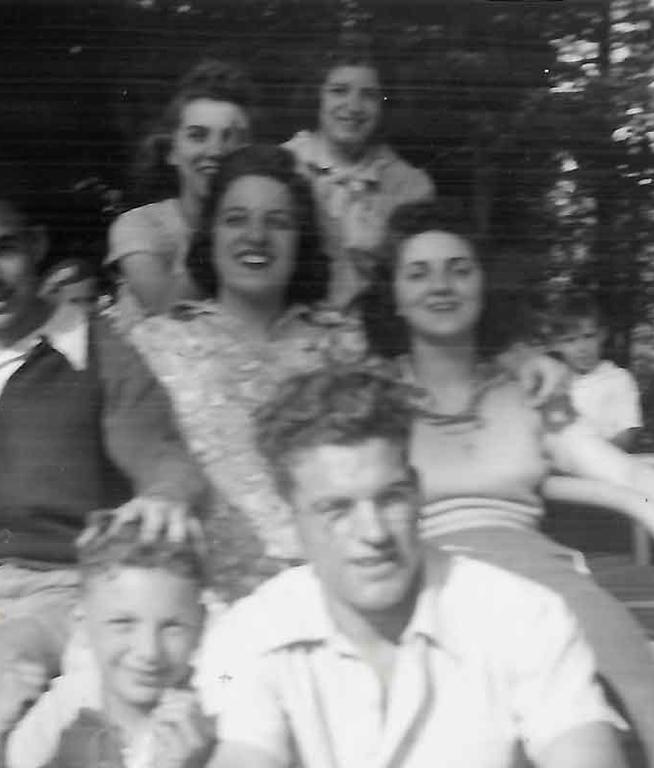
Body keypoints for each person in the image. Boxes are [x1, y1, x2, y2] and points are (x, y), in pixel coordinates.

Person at [359, 200, 654, 768]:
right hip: (428, 588)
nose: (441, 285)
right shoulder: (372, 397)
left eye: (459, 269)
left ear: (482, 284)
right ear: (395, 296)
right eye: (418, 273)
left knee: (641, 697)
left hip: (545, 586)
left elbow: (622, 471)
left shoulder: (527, 390)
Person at [197, 368, 637, 768]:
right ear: (291, 516)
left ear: (417, 491)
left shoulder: (523, 616)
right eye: (337, 509)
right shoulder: (252, 632)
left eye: (391, 498)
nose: (373, 532)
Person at [0, 175, 205, 677]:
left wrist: (165, 493)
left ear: (36, 246)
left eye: (4, 249)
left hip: (48, 588)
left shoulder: (94, 348)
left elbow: (157, 449)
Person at [128, 143, 353, 598]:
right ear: (210, 236)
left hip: (331, 585)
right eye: (236, 219)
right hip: (199, 592)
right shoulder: (156, 344)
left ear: (302, 240)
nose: (256, 236)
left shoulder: (343, 346)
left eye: (278, 222)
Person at [0, 513, 213, 768]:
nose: (149, 651)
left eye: (172, 626)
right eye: (123, 623)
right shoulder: (63, 713)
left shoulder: (214, 722)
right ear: (83, 623)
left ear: (201, 625)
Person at [284, 39, 434, 310]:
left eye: (369, 95)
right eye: (339, 91)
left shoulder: (410, 186)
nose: (353, 106)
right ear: (317, 95)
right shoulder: (283, 166)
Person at [106, 59, 256, 327]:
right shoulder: (139, 225)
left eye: (229, 137)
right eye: (198, 136)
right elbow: (166, 314)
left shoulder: (263, 228)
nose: (215, 151)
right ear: (172, 151)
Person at [548, 293, 642, 451]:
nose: (582, 348)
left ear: (602, 335)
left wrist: (590, 457)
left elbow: (626, 434)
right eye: (570, 340)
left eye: (588, 336)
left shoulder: (618, 379)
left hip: (603, 463)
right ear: (556, 344)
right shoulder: (551, 383)